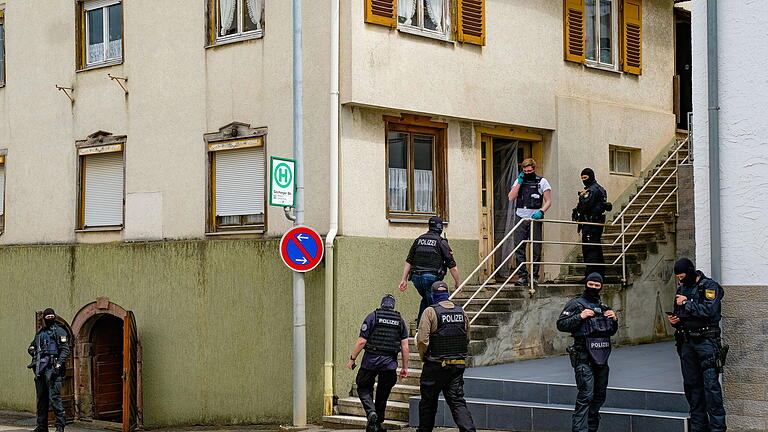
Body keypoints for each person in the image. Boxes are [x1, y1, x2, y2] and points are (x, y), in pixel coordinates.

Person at [667, 258, 727, 432]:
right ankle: (698, 427)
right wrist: (675, 321)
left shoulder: (709, 287)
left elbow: (710, 311)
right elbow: (680, 315)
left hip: (706, 343)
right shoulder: (682, 288)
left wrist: (686, 303)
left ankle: (717, 429)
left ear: (691, 271)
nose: (680, 279)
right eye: (678, 276)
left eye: (683, 275)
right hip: (687, 342)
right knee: (692, 388)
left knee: (711, 388)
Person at [556, 273, 618, 432]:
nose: (593, 288)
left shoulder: (603, 306)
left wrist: (614, 319)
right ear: (586, 284)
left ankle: (591, 429)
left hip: (601, 359)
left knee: (599, 397)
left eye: (597, 286)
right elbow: (561, 324)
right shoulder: (576, 304)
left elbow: (610, 331)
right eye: (591, 284)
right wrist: (580, 316)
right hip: (583, 357)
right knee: (586, 396)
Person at [416, 281, 475, 432]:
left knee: (428, 403)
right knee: (457, 402)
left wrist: (424, 357)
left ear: (433, 295)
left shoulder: (430, 312)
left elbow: (422, 340)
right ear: (447, 294)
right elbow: (467, 337)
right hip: (457, 365)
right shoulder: (461, 311)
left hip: (435, 365)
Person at [347, 294, 410, 432]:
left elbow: (362, 341)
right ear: (393, 306)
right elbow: (405, 346)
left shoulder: (372, 316)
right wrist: (405, 367)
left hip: (370, 362)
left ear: (382, 304)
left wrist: (352, 359)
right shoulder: (399, 320)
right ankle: (377, 424)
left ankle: (371, 413)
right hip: (389, 365)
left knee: (363, 386)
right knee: (383, 393)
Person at [399, 216, 461, 324]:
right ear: (440, 228)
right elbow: (452, 266)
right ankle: (435, 328)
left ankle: (420, 325)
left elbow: (409, 261)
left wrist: (403, 279)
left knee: (426, 299)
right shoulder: (441, 242)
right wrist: (457, 283)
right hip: (431, 279)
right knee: (436, 304)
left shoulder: (418, 240)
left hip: (416, 278)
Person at [507, 158, 552, 285]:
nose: (527, 173)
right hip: (520, 216)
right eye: (525, 171)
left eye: (529, 171)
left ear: (534, 169)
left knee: (536, 246)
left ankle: (534, 275)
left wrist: (541, 211)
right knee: (519, 246)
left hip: (535, 216)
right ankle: (522, 275)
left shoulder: (542, 181)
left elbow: (548, 201)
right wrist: (519, 183)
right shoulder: (518, 180)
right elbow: (511, 197)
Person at [28, 308, 70, 432]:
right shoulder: (40, 333)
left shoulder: (60, 331)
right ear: (44, 318)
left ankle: (60, 426)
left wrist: (58, 366)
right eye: (48, 317)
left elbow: (65, 350)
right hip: (40, 369)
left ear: (54, 317)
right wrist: (32, 350)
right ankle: (42, 426)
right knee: (41, 398)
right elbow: (31, 346)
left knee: (55, 398)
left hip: (53, 370)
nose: (50, 319)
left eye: (52, 316)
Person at [572, 168, 612, 278]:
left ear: (591, 176)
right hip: (591, 223)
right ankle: (596, 275)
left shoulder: (593, 190)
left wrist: (582, 196)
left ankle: (591, 275)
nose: (584, 180)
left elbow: (586, 205)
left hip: (591, 224)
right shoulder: (597, 189)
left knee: (591, 251)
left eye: (585, 178)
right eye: (582, 178)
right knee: (594, 249)